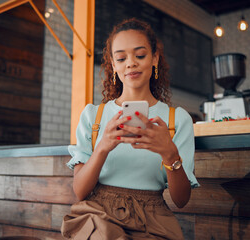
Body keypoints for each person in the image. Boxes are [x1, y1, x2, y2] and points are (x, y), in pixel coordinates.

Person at [61, 18, 199, 240]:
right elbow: (79, 191)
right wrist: (102, 148)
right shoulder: (93, 117)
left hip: (153, 221)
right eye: (121, 58)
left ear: (154, 58)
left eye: (140, 55)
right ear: (114, 65)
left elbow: (181, 200)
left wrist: (169, 154)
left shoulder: (177, 119)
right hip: (99, 218)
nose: (131, 63)